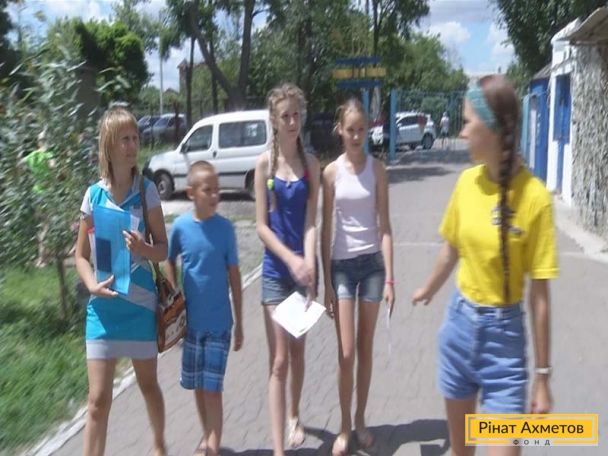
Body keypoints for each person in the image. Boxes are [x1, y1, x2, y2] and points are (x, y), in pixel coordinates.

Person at [412, 75, 558, 456]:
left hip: (504, 348)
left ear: (492, 128)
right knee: (462, 451)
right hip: (458, 330)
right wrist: (428, 288)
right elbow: (451, 249)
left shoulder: (536, 198)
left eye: (467, 122)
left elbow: (540, 296)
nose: (461, 133)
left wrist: (543, 377)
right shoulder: (466, 183)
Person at [74, 108, 168, 456]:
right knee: (98, 401)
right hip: (102, 310)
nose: (131, 146)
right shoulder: (93, 196)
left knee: (148, 387)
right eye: (124, 139)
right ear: (109, 146)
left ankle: (159, 443)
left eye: (135, 138)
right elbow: (80, 256)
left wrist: (144, 248)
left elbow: (163, 249)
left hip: (140, 306)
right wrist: (91, 285)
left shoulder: (147, 192)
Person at [321, 98, 395, 456]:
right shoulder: (330, 173)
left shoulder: (378, 170)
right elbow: (325, 231)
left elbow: (386, 227)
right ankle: (344, 425)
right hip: (342, 267)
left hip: (373, 267)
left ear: (368, 130)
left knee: (365, 347)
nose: (355, 136)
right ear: (340, 130)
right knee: (346, 352)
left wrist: (391, 278)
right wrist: (325, 283)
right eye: (350, 130)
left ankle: (361, 419)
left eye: (361, 130)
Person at [253, 83, 321, 456]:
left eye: (296, 115)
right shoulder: (264, 164)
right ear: (274, 121)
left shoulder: (311, 165)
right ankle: (278, 448)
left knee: (297, 353)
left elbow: (311, 222)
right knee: (278, 361)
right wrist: (290, 260)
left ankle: (295, 413)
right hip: (275, 275)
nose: (292, 122)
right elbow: (261, 227)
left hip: (302, 275)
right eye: (285, 116)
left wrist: (307, 264)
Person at [165, 160, 244, 456]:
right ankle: (207, 435)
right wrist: (174, 297)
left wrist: (240, 322)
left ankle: (213, 446)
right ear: (191, 193)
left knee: (212, 389)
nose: (214, 195)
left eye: (217, 190)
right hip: (191, 326)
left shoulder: (226, 229)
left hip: (220, 324)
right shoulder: (181, 227)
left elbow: (235, 276)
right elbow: (169, 259)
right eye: (207, 190)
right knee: (198, 386)